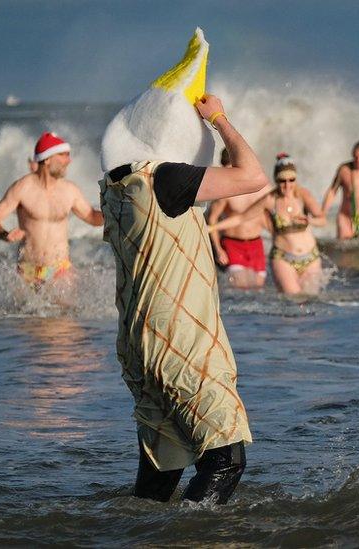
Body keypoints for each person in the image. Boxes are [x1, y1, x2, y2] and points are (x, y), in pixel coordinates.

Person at [98, 29, 264, 504]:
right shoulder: (167, 180)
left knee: (160, 476)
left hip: (138, 345)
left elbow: (218, 185)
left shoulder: (116, 190)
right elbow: (251, 175)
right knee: (225, 461)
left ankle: (136, 534)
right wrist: (220, 120)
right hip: (180, 340)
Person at [0, 132, 103, 286]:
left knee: (66, 311)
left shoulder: (70, 190)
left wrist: (114, 211)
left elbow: (92, 217)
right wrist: (4, 234)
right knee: (24, 311)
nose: (69, 160)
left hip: (60, 270)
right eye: (64, 155)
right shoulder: (22, 188)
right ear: (48, 158)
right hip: (28, 269)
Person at [211, 154, 326, 295]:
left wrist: (310, 221)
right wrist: (212, 228)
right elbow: (241, 218)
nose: (287, 185)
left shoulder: (303, 195)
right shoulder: (269, 199)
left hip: (311, 257)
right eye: (282, 181)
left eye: (291, 180)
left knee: (311, 300)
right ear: (276, 180)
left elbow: (322, 220)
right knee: (293, 300)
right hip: (283, 258)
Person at [207, 148, 273, 288]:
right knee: (242, 287)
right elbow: (211, 219)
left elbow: (273, 216)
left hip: (256, 245)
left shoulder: (263, 187)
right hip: (232, 244)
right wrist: (218, 249)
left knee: (258, 288)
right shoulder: (226, 190)